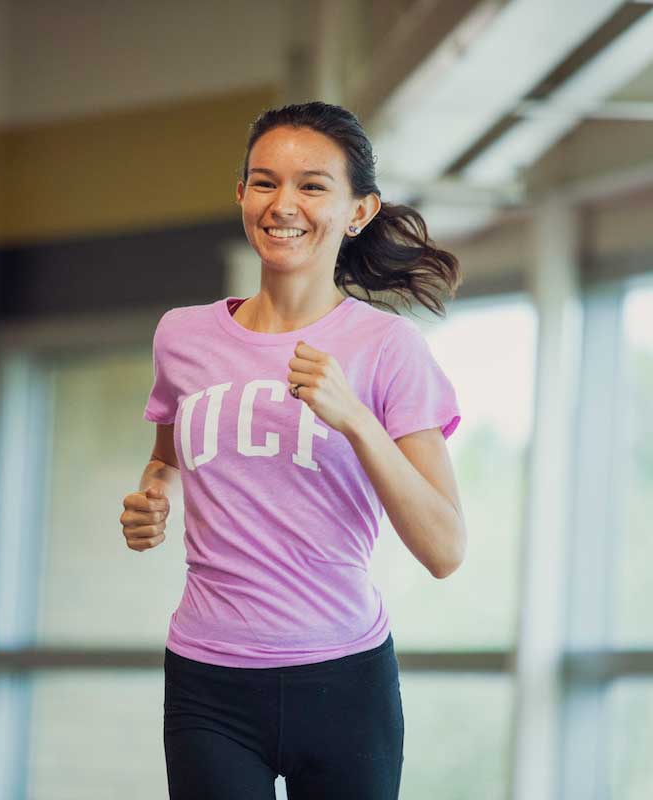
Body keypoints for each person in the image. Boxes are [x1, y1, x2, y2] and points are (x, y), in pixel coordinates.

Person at [120, 101, 465, 800]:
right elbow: (169, 460)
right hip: (207, 680)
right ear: (242, 195)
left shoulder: (387, 349)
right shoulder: (182, 337)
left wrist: (357, 421)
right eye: (264, 181)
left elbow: (444, 549)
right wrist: (154, 497)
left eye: (312, 185)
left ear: (358, 210)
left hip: (345, 681)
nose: (284, 204)